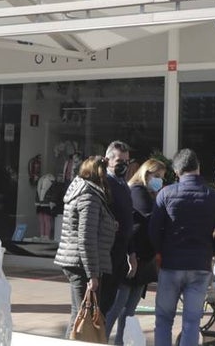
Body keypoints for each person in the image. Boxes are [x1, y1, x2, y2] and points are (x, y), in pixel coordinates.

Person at [149, 148, 215, 346]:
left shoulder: (165, 194)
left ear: (176, 171)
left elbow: (153, 231)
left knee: (163, 318)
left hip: (171, 264)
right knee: (192, 321)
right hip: (200, 265)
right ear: (198, 168)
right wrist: (210, 251)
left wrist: (161, 251)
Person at [53, 155, 118, 338]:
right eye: (105, 173)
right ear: (99, 174)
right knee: (81, 315)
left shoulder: (82, 191)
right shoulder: (89, 196)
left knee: (79, 313)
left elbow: (89, 229)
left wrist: (110, 225)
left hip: (76, 261)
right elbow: (86, 237)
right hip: (82, 264)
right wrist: (93, 275)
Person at [105, 157, 167, 344]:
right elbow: (149, 220)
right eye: (157, 176)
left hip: (143, 259)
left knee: (129, 311)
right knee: (118, 307)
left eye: (162, 177)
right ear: (146, 173)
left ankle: (119, 342)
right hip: (133, 257)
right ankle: (101, 340)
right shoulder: (138, 191)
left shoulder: (148, 193)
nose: (160, 181)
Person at [99, 141, 137, 320]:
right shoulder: (103, 184)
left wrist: (131, 253)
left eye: (127, 161)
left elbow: (127, 219)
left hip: (120, 254)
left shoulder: (123, 185)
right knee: (96, 306)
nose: (124, 165)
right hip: (106, 254)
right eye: (120, 161)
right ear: (108, 160)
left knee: (107, 305)